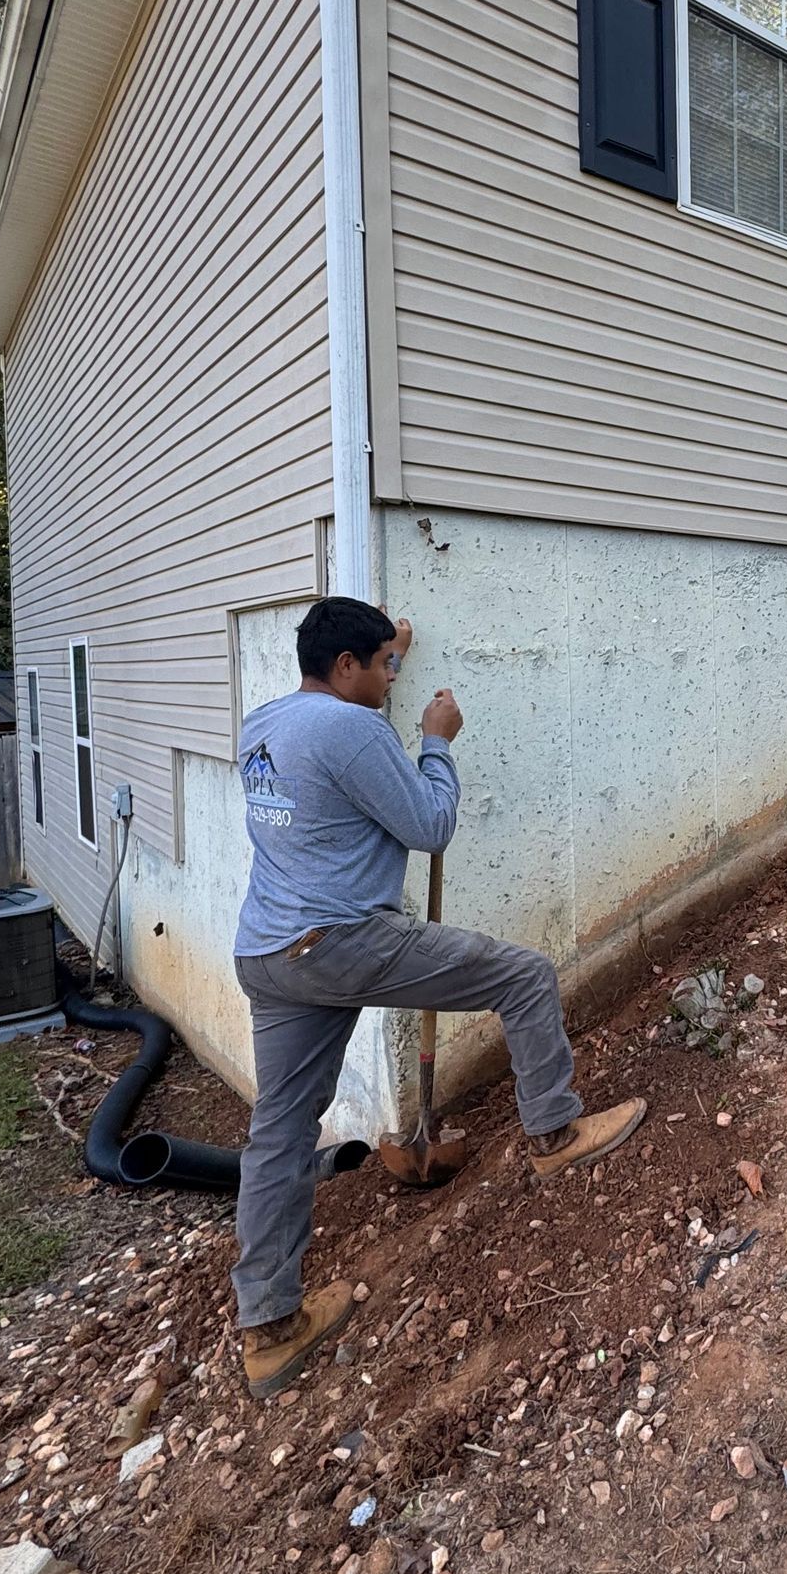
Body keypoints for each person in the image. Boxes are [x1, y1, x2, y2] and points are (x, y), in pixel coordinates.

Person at [230, 597, 645, 1398]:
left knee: (279, 1130)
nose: (391, 679)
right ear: (346, 668)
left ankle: (271, 1327)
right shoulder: (355, 730)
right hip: (343, 942)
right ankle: (556, 1134)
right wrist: (433, 742)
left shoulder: (266, 722)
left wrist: (390, 648)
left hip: (268, 952)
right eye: (380, 666)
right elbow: (429, 826)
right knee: (524, 975)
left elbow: (338, 743)